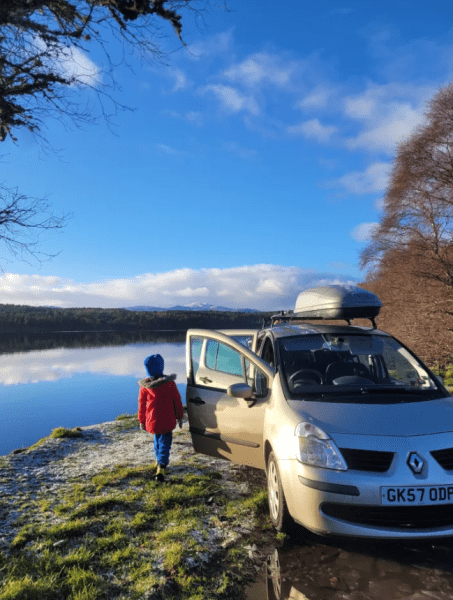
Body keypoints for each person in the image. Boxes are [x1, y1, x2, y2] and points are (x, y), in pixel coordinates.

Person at [138, 354, 184, 482]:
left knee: (157, 440)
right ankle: (162, 466)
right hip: (167, 420)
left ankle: (158, 460)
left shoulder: (144, 386)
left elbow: (141, 405)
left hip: (152, 421)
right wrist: (180, 417)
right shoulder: (169, 384)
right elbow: (177, 401)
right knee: (165, 442)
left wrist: (141, 421)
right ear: (161, 367)